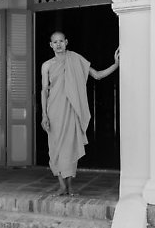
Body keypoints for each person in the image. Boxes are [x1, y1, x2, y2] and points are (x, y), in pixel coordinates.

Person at [41, 31, 120, 196]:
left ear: (66, 42)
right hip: (54, 111)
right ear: (50, 45)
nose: (58, 44)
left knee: (70, 147)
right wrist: (44, 115)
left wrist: (116, 64)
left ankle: (70, 185)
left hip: (72, 110)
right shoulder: (47, 65)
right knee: (55, 148)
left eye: (61, 41)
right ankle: (61, 185)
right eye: (55, 42)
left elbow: (97, 75)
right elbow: (44, 91)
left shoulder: (75, 60)